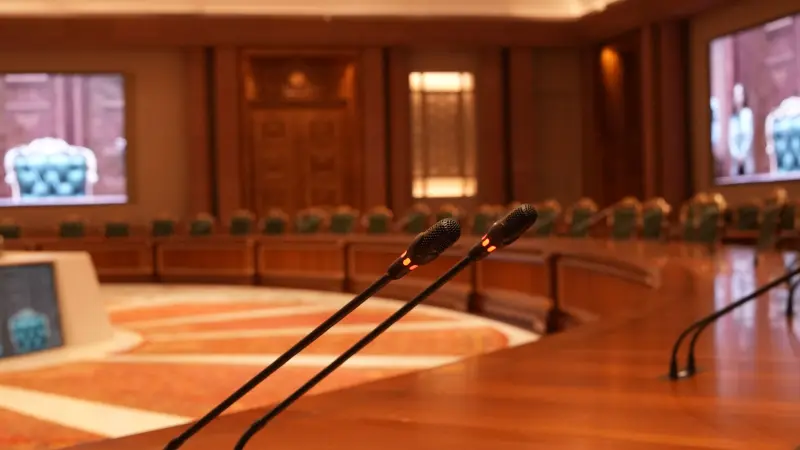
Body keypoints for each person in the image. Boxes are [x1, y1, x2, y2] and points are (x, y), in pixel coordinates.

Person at [727, 83, 755, 176]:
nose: (738, 97)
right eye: (736, 94)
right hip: (735, 161)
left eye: (740, 94)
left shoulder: (747, 114)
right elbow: (730, 139)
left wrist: (743, 154)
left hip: (746, 159)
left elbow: (749, 136)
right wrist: (736, 154)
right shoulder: (732, 117)